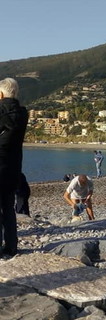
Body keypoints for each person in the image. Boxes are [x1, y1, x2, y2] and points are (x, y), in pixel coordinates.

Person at [0, 78, 28, 257]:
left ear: (1, 94)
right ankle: (11, 247)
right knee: (8, 207)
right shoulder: (23, 113)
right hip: (13, 167)